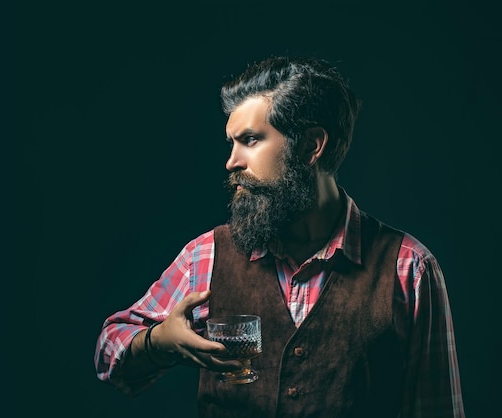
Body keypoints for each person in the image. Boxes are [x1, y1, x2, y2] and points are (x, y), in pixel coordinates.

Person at [93, 55, 465, 417]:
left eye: (251, 140)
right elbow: (109, 355)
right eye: (232, 143)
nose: (232, 162)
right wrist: (158, 342)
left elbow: (436, 408)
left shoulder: (409, 268)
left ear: (310, 146)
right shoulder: (206, 256)